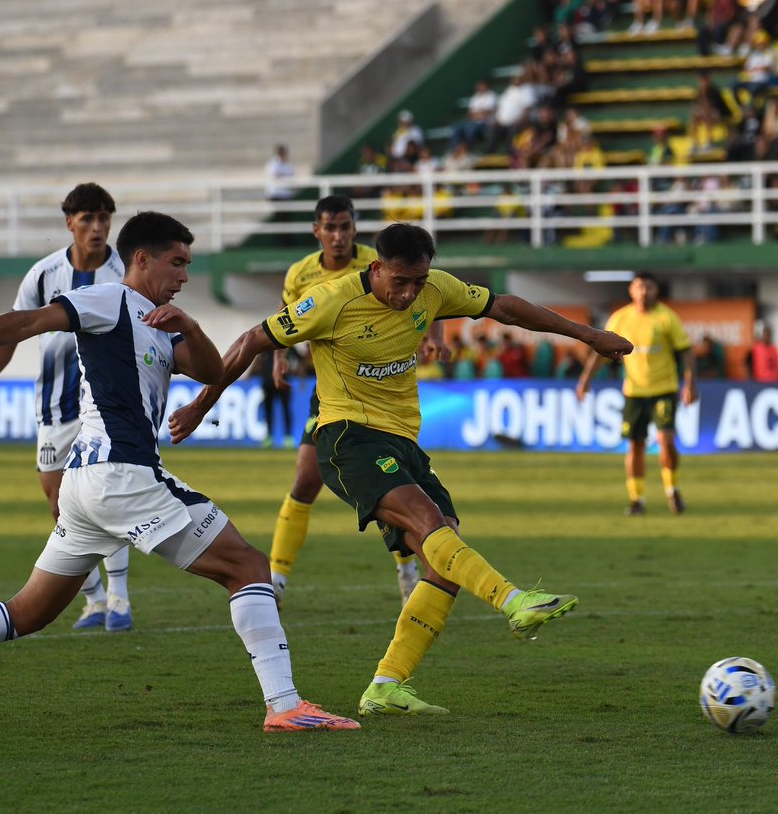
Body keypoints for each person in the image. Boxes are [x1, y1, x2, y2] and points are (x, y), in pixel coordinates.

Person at [170, 222, 631, 716]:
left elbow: (507, 307)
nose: (411, 293)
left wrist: (588, 335)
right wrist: (200, 405)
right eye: (401, 281)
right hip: (347, 437)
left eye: (419, 281)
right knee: (428, 523)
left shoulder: (435, 289)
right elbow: (250, 341)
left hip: (404, 442)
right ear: (377, 268)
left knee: (444, 563)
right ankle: (513, 600)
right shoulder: (331, 301)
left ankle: (385, 686)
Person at [0, 210, 358, 734]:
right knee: (249, 565)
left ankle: (286, 706)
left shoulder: (158, 322)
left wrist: (191, 327)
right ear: (142, 259)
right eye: (177, 263)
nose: (184, 276)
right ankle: (285, 705)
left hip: (85, 487)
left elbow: (211, 371)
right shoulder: (107, 299)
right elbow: (28, 323)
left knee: (28, 613)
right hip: (121, 476)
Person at [0, 182, 134, 633]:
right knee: (59, 504)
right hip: (53, 407)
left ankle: (120, 597)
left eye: (104, 218)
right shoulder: (44, 274)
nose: (98, 227)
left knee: (107, 499)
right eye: (88, 218)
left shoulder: (123, 274)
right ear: (70, 223)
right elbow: (15, 328)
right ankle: (96, 600)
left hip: (104, 407)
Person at [263, 195, 420, 608]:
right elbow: (284, 314)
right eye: (330, 228)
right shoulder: (301, 273)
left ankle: (407, 569)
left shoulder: (377, 262)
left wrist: (432, 338)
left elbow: (426, 293)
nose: (338, 235)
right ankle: (276, 580)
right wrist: (279, 357)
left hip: (382, 395)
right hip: (331, 394)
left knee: (391, 489)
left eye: (345, 227)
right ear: (317, 231)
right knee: (304, 482)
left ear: (354, 228)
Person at [576, 272, 696, 517]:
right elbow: (600, 351)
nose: (643, 292)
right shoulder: (621, 318)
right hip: (634, 391)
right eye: (639, 287)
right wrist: (585, 379)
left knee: (666, 440)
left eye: (648, 287)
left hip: (664, 389)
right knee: (635, 445)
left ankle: (672, 490)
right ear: (631, 290)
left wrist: (690, 384)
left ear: (656, 290)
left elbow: (686, 351)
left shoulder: (666, 317)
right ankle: (637, 499)